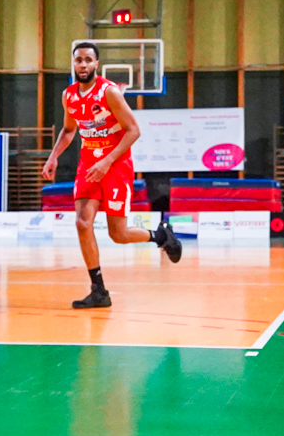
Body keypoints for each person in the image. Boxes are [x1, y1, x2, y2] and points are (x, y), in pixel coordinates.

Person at [41, 42, 182, 308]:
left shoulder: (109, 92)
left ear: (96, 64)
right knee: (83, 223)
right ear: (74, 64)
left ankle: (161, 236)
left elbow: (133, 131)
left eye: (87, 60)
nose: (82, 64)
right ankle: (99, 291)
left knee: (118, 234)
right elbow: (69, 130)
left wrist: (107, 161)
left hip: (115, 166)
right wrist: (53, 156)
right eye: (78, 60)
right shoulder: (69, 95)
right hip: (88, 167)